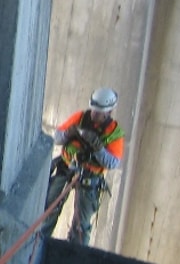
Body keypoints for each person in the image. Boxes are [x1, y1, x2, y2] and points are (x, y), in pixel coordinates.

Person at [40, 87, 126, 245]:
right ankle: (37, 244)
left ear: (108, 112)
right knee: (49, 209)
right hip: (66, 168)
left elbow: (113, 162)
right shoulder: (80, 117)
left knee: (81, 225)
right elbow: (57, 138)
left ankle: (75, 255)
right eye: (93, 110)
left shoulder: (114, 133)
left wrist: (98, 147)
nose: (93, 115)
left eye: (98, 113)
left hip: (89, 178)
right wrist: (67, 135)